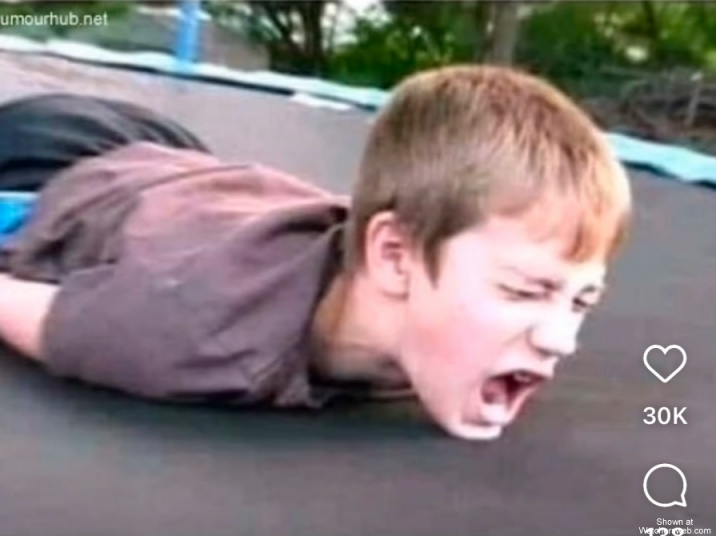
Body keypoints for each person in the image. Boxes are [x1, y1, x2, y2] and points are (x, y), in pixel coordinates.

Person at [0, 65, 632, 441]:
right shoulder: (201, 332)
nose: (561, 340)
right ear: (395, 258)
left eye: (582, 300)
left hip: (179, 163)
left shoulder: (441, 318)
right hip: (46, 165)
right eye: (523, 292)